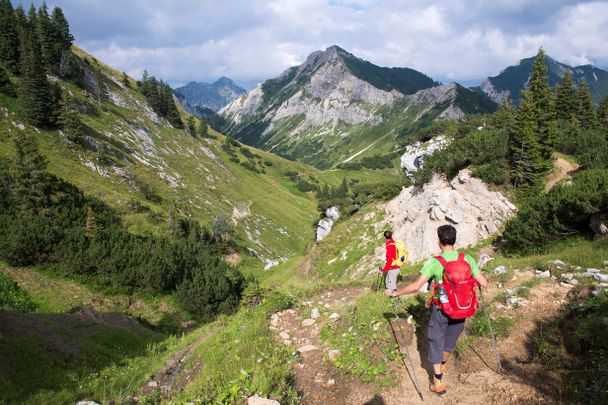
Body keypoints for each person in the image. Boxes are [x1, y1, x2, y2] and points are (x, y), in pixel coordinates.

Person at [386, 224, 488, 398]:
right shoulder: (467, 258)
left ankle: (438, 381)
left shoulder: (435, 262)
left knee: (435, 340)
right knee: (449, 342)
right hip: (463, 308)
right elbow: (484, 283)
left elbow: (417, 286)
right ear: (454, 240)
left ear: (439, 241)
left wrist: (394, 293)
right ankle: (442, 364)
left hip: (442, 309)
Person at [379, 230, 400, 295]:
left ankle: (394, 301)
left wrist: (383, 270)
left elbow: (389, 261)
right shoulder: (393, 243)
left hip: (393, 268)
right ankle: (390, 299)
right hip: (395, 267)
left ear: (385, 237)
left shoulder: (390, 246)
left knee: (392, 287)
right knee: (388, 283)